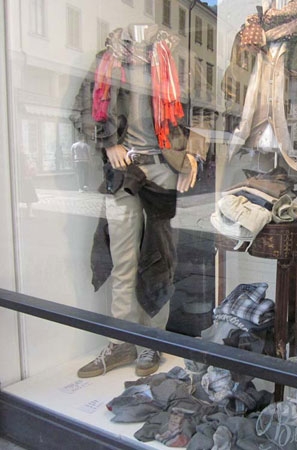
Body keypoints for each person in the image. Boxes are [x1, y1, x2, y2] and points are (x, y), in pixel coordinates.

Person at [70, 23, 199, 378]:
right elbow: (82, 110)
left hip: (163, 169)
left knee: (159, 258)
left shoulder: (175, 58)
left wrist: (192, 155)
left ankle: (151, 341)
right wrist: (109, 142)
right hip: (123, 170)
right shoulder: (106, 60)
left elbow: (204, 112)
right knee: (122, 260)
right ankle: (122, 340)